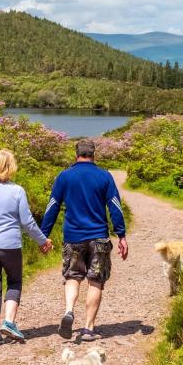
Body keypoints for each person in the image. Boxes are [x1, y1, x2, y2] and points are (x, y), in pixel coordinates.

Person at [40, 139, 127, 341]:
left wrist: (44, 235)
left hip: (73, 237)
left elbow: (52, 206)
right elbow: (115, 207)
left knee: (73, 276)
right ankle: (88, 328)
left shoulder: (64, 176)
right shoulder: (104, 176)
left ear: (76, 154)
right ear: (94, 154)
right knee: (96, 281)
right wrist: (121, 235)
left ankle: (69, 311)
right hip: (98, 237)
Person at [0, 149, 54, 347]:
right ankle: (8, 322)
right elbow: (27, 222)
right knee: (15, 281)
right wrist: (43, 241)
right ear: (11, 167)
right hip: (10, 246)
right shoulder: (17, 191)